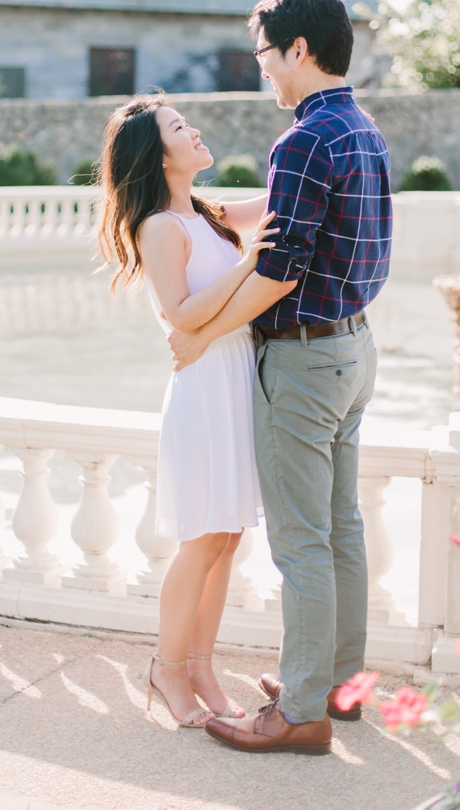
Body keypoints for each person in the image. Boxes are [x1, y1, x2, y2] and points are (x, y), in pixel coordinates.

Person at [167, 0, 393, 755]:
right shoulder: (361, 130)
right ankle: (337, 681)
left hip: (303, 359)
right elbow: (294, 221)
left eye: (264, 53)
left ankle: (300, 710)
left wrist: (201, 336)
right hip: (356, 347)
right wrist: (202, 214)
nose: (261, 68)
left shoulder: (301, 140)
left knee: (301, 541)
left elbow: (281, 269)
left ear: (298, 49)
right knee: (341, 528)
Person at [97, 94, 276, 729]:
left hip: (231, 383)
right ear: (158, 154)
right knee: (201, 540)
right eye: (179, 127)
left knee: (227, 540)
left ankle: (201, 664)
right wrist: (252, 260)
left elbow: (280, 198)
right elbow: (182, 314)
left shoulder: (205, 211)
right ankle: (167, 668)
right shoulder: (160, 227)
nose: (194, 130)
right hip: (202, 391)